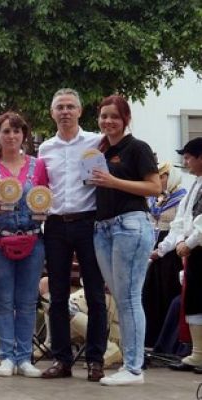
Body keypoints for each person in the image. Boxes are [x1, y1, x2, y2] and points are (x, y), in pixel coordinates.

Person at [37, 88, 108, 381]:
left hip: (87, 222)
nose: (65, 111)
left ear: (80, 111)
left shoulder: (96, 142)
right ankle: (62, 360)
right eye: (60, 107)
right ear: (52, 113)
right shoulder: (45, 149)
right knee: (56, 295)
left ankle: (95, 360)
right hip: (54, 225)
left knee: (94, 293)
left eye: (70, 107)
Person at [90, 94, 160, 385]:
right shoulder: (100, 150)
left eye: (114, 117)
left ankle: (133, 368)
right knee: (121, 298)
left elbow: (155, 187)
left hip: (130, 225)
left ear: (125, 119)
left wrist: (114, 181)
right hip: (103, 228)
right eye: (104, 116)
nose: (108, 121)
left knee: (130, 298)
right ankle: (129, 364)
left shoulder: (138, 148)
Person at [0, 112, 48, 378]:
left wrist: (43, 210)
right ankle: (6, 356)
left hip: (32, 239)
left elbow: (45, 199)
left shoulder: (38, 166)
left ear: (24, 136)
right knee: (4, 300)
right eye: (6, 131)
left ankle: (24, 358)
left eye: (17, 131)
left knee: (27, 301)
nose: (12, 136)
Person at [153, 137, 202, 372]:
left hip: (197, 247)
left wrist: (190, 242)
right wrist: (163, 249)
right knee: (193, 300)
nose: (186, 161)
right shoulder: (195, 185)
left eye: (189, 156)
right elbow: (181, 222)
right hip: (192, 252)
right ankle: (198, 353)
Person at [144, 162, 186, 347]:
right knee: (151, 295)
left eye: (163, 176)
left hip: (170, 254)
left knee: (167, 294)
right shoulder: (156, 198)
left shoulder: (182, 197)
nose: (160, 180)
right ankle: (152, 339)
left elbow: (179, 227)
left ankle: (169, 341)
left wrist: (161, 249)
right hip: (153, 246)